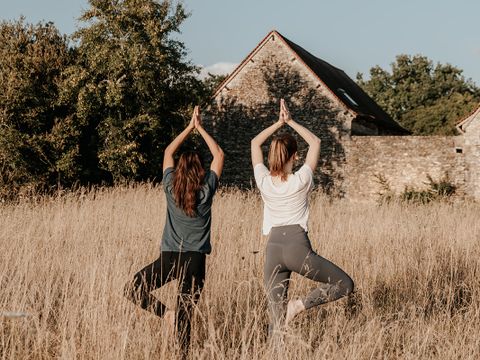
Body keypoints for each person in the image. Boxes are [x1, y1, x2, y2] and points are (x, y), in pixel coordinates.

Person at [125, 106, 224, 355]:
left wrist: (189, 127)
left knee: (133, 288)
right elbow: (219, 154)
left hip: (170, 256)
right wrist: (200, 128)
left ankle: (166, 315)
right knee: (185, 316)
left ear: (179, 170)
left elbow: (169, 151)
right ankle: (181, 350)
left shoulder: (170, 188)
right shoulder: (205, 191)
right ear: (201, 171)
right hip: (195, 261)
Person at [251, 99, 354, 333]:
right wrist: (291, 121)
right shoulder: (301, 180)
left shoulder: (264, 181)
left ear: (273, 157)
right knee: (344, 284)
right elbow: (315, 141)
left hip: (273, 249)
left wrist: (278, 123)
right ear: (295, 156)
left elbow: (255, 142)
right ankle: (298, 306)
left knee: (275, 322)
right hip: (297, 246)